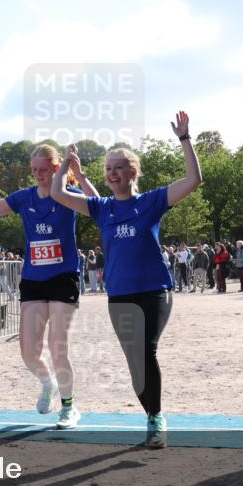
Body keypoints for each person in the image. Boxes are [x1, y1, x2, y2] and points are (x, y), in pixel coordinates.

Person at [51, 110, 202, 448]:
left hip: (154, 291)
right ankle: (152, 414)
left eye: (119, 166)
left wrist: (184, 138)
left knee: (145, 350)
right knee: (135, 361)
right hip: (118, 294)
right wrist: (67, 165)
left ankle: (156, 418)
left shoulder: (151, 202)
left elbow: (193, 180)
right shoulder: (102, 208)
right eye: (108, 168)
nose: (112, 172)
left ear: (133, 171)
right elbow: (59, 194)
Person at [0, 143, 99, 429]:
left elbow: (101, 209)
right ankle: (48, 383)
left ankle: (69, 408)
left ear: (57, 169)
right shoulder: (24, 198)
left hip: (63, 276)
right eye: (35, 170)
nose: (39, 175)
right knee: (29, 352)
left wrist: (78, 175)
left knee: (58, 346)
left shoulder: (67, 195)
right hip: (33, 280)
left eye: (44, 170)